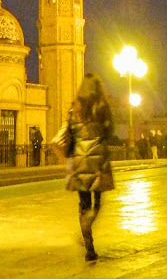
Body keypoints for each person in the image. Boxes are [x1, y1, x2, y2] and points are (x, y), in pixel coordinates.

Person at [65, 72, 115, 261]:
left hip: (79, 161)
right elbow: (110, 131)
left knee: (83, 205)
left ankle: (89, 248)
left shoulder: (74, 108)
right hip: (98, 161)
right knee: (97, 203)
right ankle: (88, 227)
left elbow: (68, 134)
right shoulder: (102, 106)